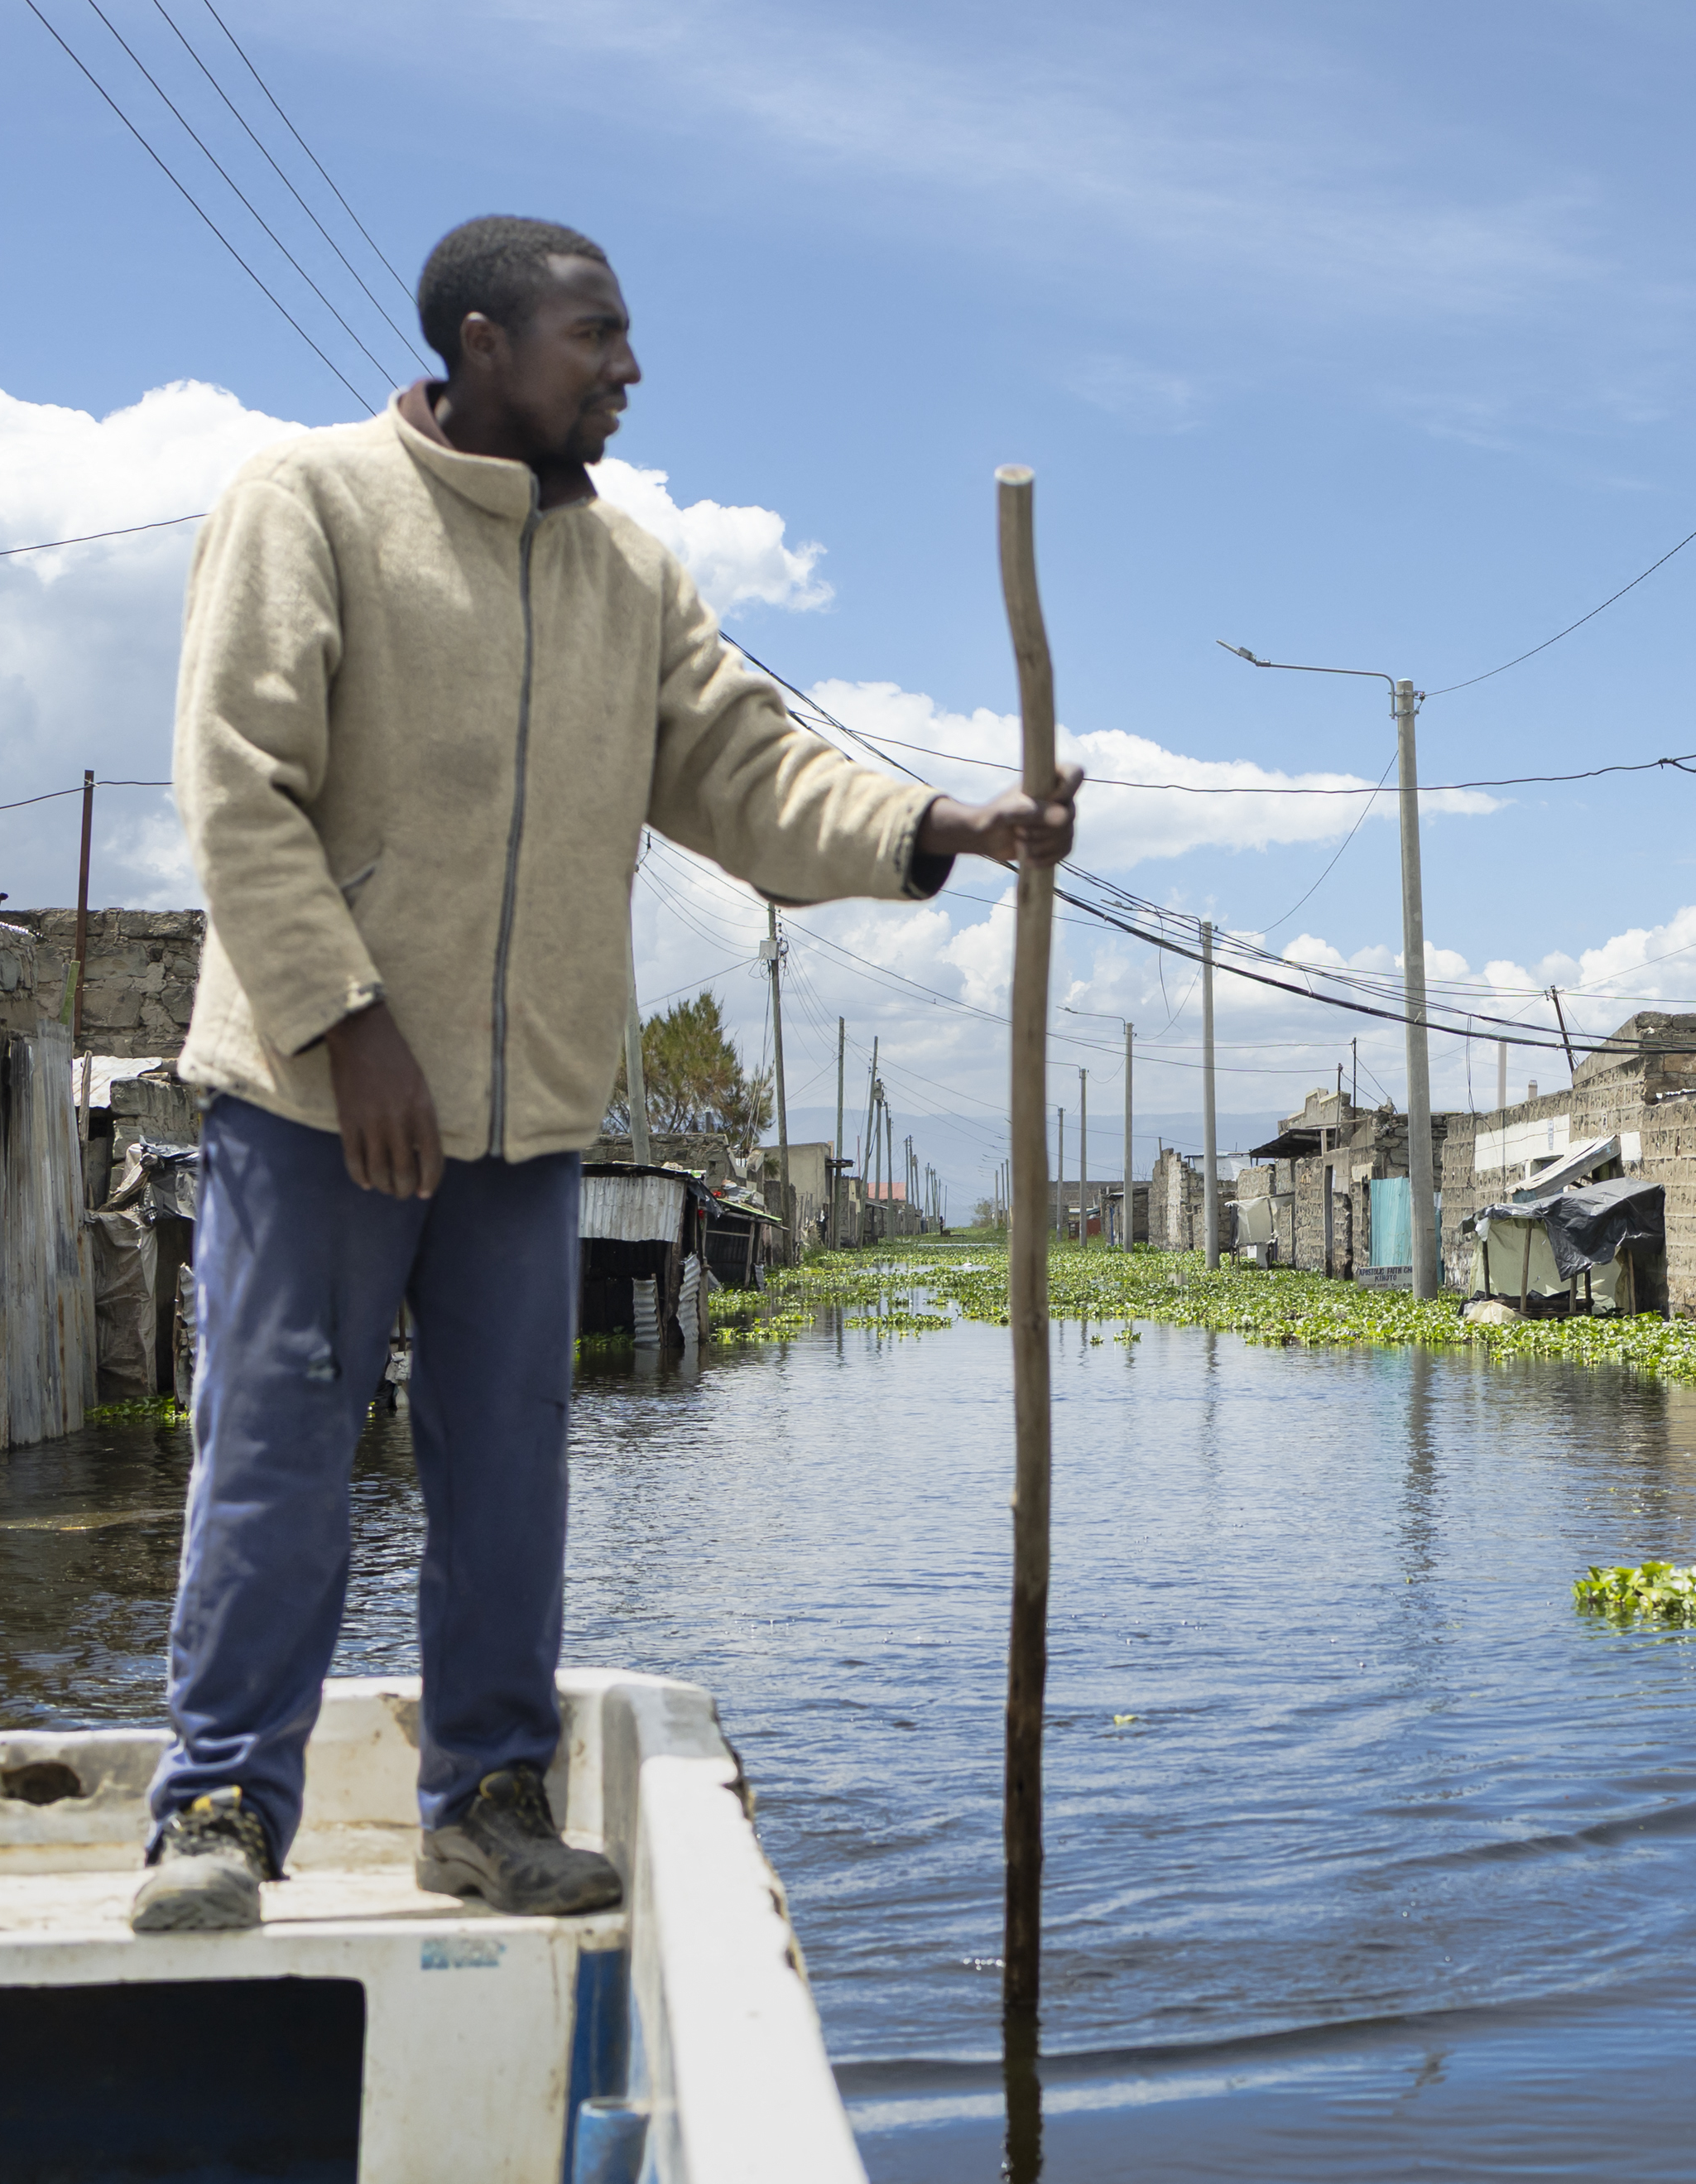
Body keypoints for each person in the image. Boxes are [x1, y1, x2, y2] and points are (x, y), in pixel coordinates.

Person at [134, 214, 1080, 1932]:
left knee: (507, 1463)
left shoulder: (626, 575)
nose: (629, 370)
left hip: (524, 1112)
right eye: (597, 337)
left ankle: (486, 1798)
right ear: (485, 342)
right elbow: (235, 784)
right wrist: (350, 1022)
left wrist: (935, 827)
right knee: (276, 1446)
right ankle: (216, 1803)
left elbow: (740, 764)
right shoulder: (313, 505)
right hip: (309, 1095)